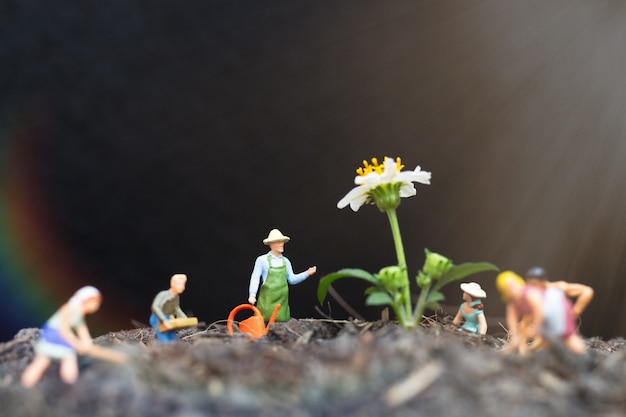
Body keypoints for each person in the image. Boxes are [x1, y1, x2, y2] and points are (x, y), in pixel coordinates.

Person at [21, 286, 103, 387]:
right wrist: (75, 342)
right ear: (87, 300)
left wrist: (88, 344)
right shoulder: (70, 308)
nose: (97, 306)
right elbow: (63, 327)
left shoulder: (78, 313)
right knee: (56, 358)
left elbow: (82, 331)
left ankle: (69, 383)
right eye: (95, 302)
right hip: (54, 334)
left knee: (49, 360)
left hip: (58, 335)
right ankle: (68, 383)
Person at [496, 271, 586, 354]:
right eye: (507, 289)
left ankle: (583, 356)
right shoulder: (512, 303)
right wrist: (514, 337)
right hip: (545, 315)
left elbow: (539, 309)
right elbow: (511, 318)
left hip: (557, 308)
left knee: (566, 336)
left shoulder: (529, 293)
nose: (512, 290)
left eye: (513, 286)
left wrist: (536, 329)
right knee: (546, 341)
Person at [248, 229, 317, 322]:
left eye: (282, 242)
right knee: (262, 321)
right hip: (267, 300)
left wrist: (306, 274)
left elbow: (292, 279)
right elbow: (255, 278)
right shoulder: (262, 260)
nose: (281, 244)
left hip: (281, 302)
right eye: (278, 242)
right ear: (271, 244)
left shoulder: (286, 261)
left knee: (282, 321)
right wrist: (252, 294)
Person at [525, 266, 594, 318]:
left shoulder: (557, 287)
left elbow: (587, 291)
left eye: (534, 284)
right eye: (530, 284)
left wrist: (575, 312)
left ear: (542, 282)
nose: (532, 286)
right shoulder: (532, 293)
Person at [150, 274, 188, 342]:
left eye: (183, 284)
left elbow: (176, 309)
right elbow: (155, 307)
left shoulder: (176, 297)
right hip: (157, 318)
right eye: (179, 284)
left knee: (172, 337)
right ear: (172, 283)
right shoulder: (163, 295)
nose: (182, 286)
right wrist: (164, 320)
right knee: (164, 338)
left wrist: (185, 319)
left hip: (168, 318)